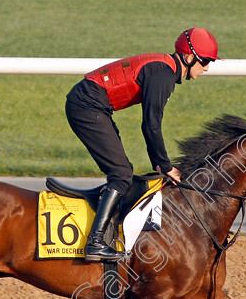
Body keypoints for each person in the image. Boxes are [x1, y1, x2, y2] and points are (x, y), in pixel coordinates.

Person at [65, 28, 220, 262]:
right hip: (86, 106)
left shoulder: (164, 67)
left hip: (91, 104)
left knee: (122, 169)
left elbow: (150, 125)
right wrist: (165, 166)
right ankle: (95, 242)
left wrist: (159, 163)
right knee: (121, 173)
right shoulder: (164, 74)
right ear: (189, 58)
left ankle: (105, 223)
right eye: (205, 61)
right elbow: (151, 126)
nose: (207, 67)